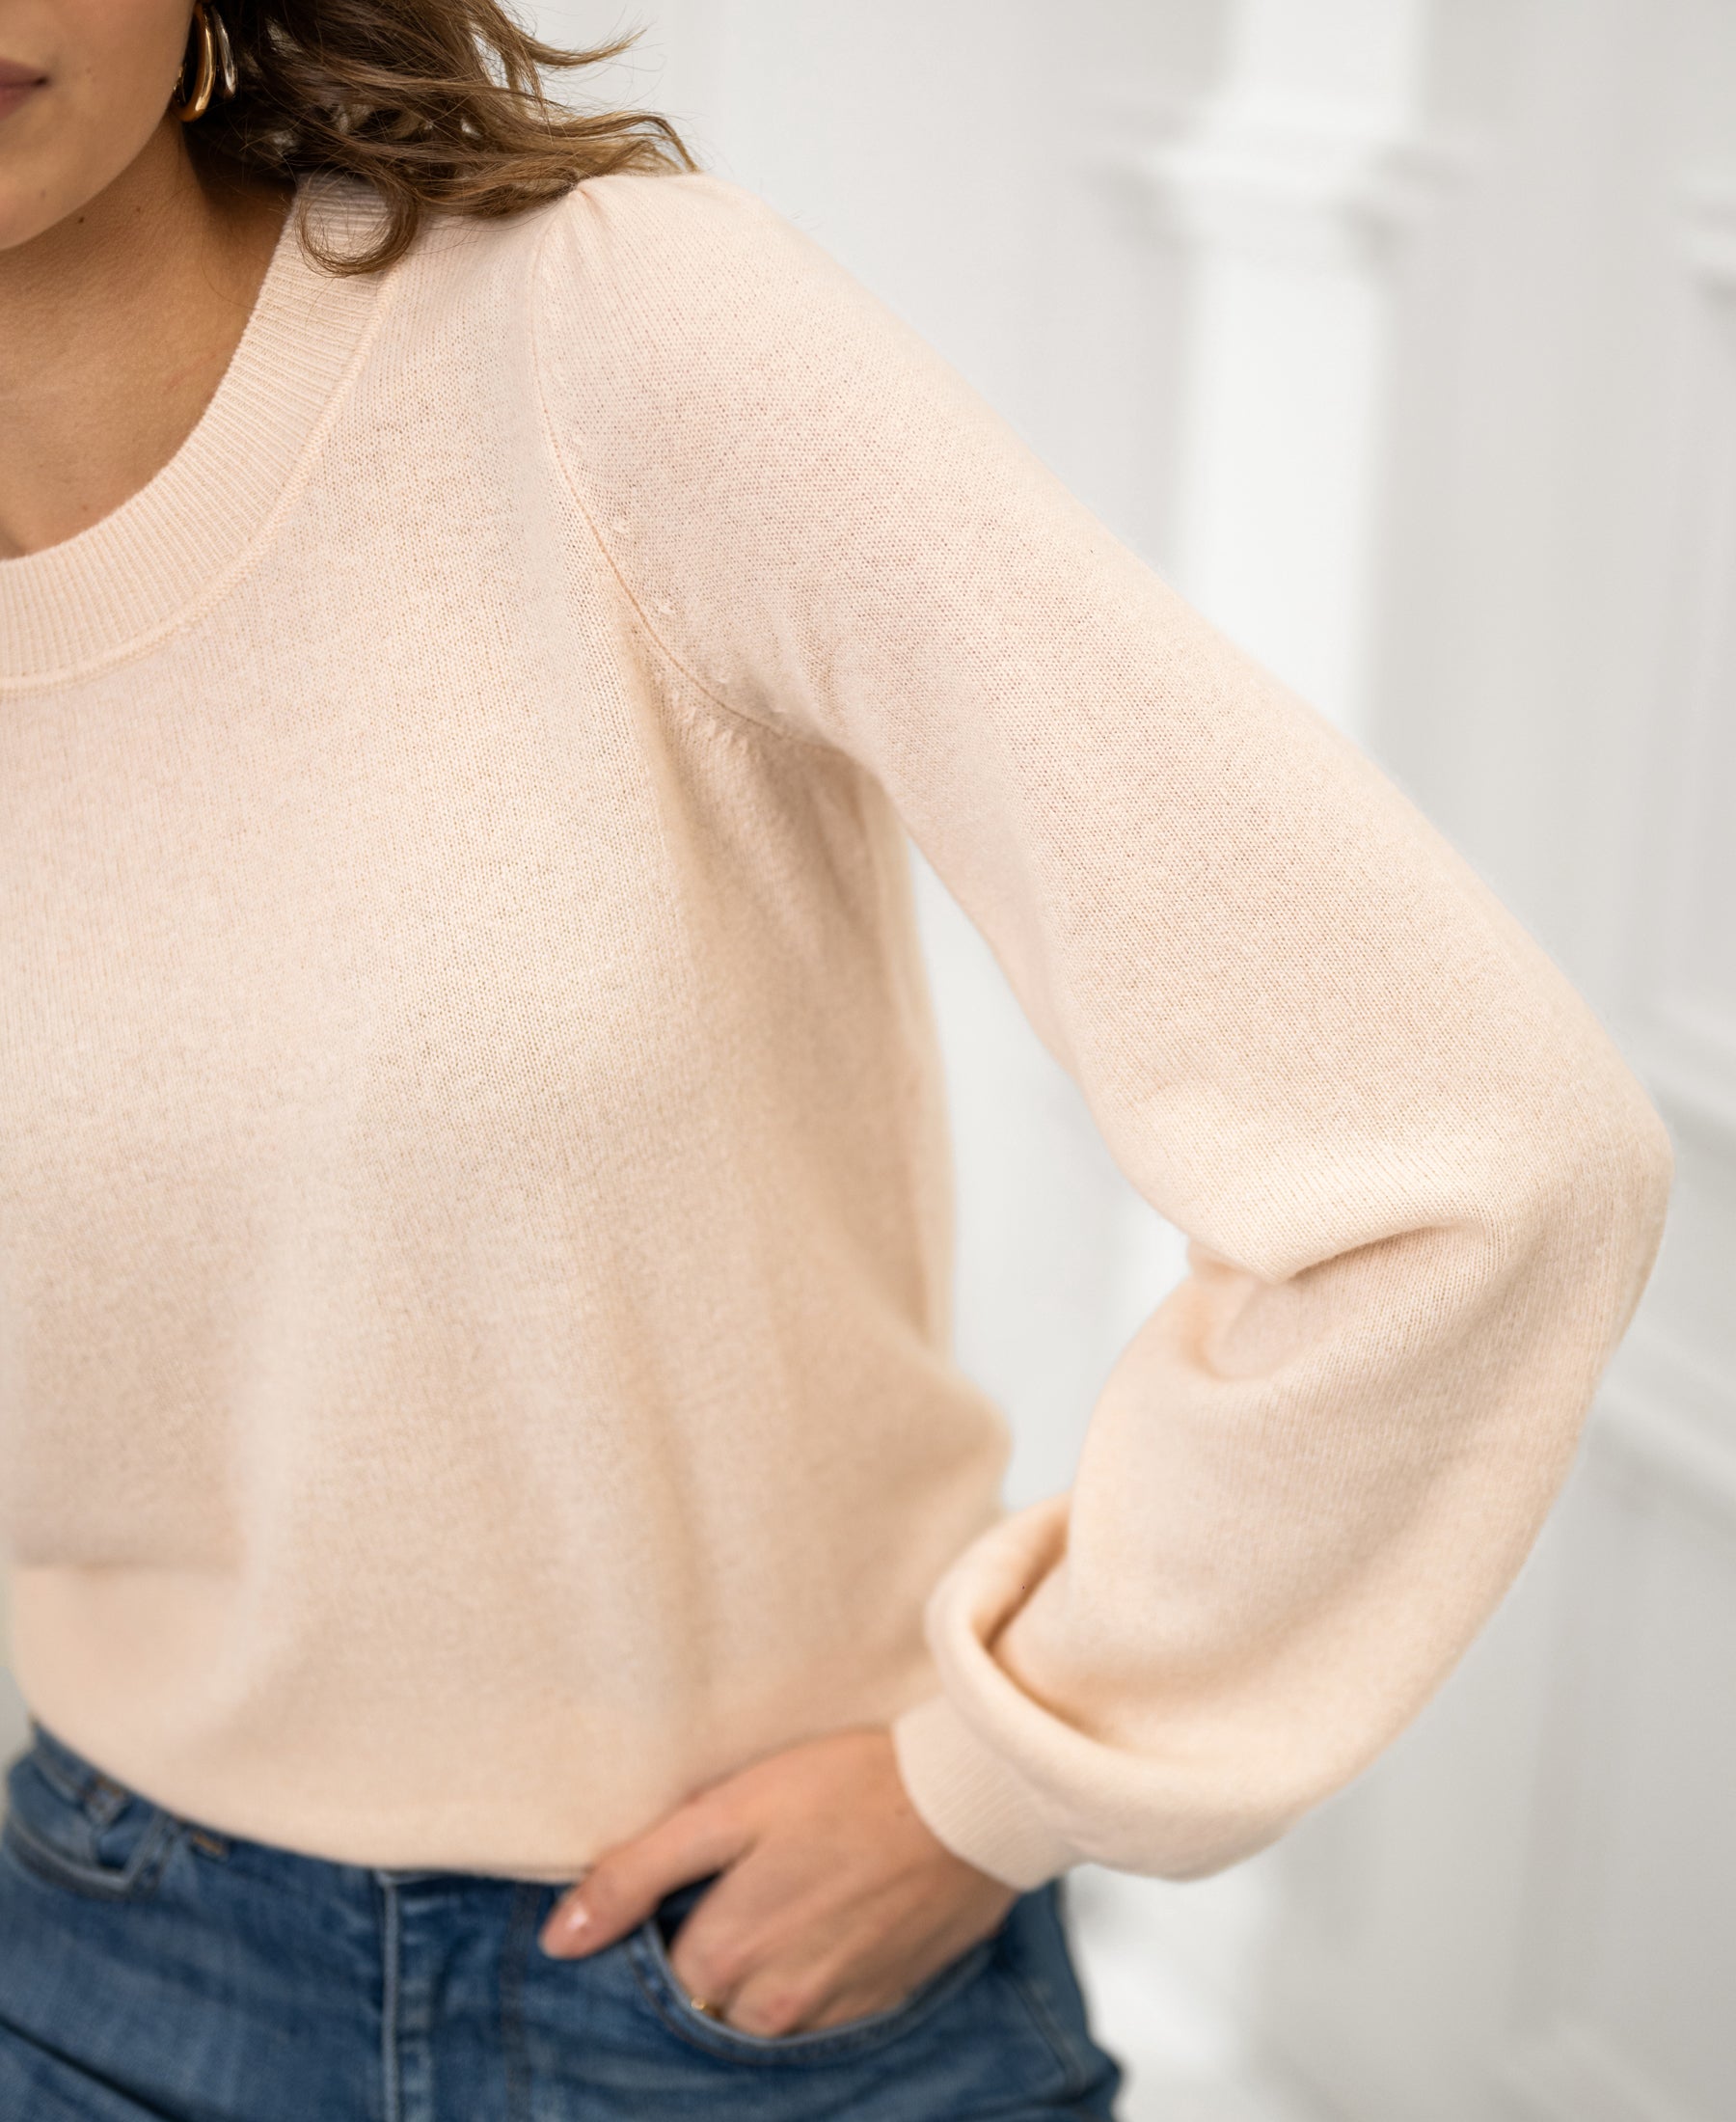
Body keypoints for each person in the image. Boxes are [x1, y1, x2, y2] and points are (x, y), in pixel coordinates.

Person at [0, 2, 1674, 2117]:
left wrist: (1001, 1776)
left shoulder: (603, 344)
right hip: (96, 1969)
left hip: (753, 1999)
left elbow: (1477, 1145)